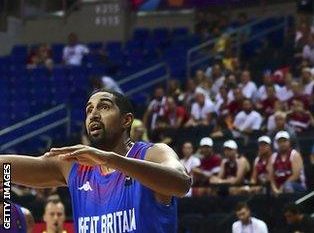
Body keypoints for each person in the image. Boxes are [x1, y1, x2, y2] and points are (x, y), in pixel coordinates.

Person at [0, 90, 191, 232]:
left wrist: (109, 160)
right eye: (89, 110)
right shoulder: (72, 166)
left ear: (126, 120)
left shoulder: (152, 153)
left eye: (104, 107)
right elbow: (5, 168)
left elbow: (182, 184)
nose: (94, 114)